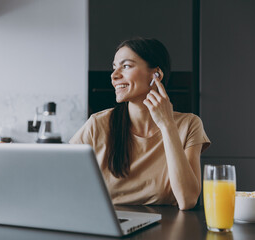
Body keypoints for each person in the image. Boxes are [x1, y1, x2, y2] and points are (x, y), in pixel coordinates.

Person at [70, 37, 210, 210]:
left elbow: (187, 200)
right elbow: (63, 182)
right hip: (111, 228)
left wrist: (167, 125)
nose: (114, 76)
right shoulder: (97, 125)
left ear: (156, 75)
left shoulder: (189, 124)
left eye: (126, 66)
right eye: (114, 68)